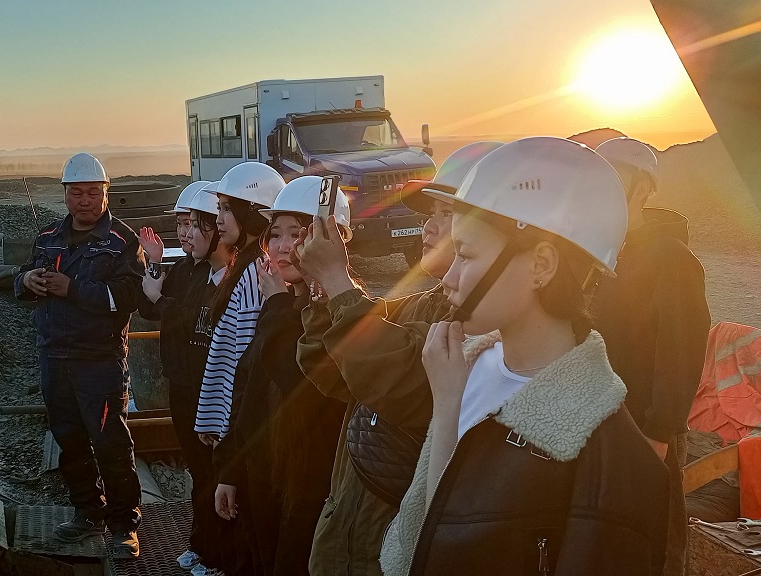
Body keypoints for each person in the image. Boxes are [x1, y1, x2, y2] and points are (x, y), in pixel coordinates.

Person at [380, 136, 669, 576]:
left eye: (466, 254)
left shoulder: (613, 461)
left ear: (541, 265)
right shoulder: (467, 366)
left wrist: (448, 405)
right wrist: (447, 403)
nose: (449, 279)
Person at [292, 142, 501, 576]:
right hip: (347, 533)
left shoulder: (486, 328)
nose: (429, 226)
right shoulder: (420, 304)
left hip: (390, 544)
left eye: (447, 213)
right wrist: (323, 289)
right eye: (430, 213)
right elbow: (328, 369)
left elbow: (401, 382)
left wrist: (337, 280)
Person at [212, 176, 349, 576]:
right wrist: (229, 471)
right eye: (275, 234)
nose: (282, 246)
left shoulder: (344, 316)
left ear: (333, 242)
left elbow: (303, 385)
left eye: (298, 234)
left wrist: (274, 306)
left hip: (313, 489)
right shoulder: (283, 306)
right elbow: (250, 396)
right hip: (267, 481)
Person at [14, 152, 146, 558]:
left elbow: (129, 297)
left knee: (110, 444)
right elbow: (20, 279)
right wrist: (27, 280)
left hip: (100, 362)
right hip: (54, 358)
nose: (84, 201)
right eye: (76, 193)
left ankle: (124, 525)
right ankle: (87, 512)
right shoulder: (47, 236)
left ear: (106, 193)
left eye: (92, 193)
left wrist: (72, 289)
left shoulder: (122, 242)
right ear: (65, 194)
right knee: (69, 441)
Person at [593, 136, 710, 576]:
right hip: (600, 416)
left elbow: (681, 346)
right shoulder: (600, 250)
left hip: (646, 424)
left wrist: (660, 432)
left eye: (613, 178)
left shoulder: (671, 258)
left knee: (655, 534)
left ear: (641, 188)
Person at [138, 180, 229, 576]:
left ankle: (217, 552)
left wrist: (160, 299)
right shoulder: (187, 269)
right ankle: (202, 544)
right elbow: (148, 307)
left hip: (209, 388)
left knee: (214, 473)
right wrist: (154, 264)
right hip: (183, 384)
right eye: (182, 224)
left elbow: (194, 319)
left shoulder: (222, 275)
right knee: (199, 470)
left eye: (194, 224)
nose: (187, 233)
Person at [195, 161, 282, 575]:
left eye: (227, 209)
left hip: (239, 432)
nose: (218, 219)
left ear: (252, 213)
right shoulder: (243, 267)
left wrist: (225, 436)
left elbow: (243, 368)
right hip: (234, 429)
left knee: (244, 539)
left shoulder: (252, 275)